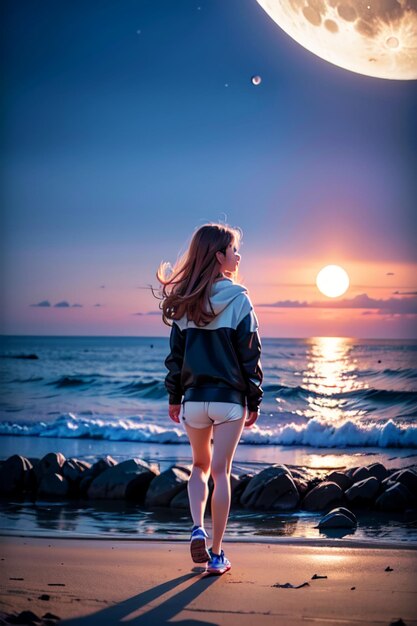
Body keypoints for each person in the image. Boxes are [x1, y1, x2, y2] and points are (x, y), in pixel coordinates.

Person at [156, 222, 263, 575]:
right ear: (219, 257)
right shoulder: (239, 299)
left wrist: (175, 397)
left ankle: (196, 528)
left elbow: (175, 357)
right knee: (222, 472)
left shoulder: (186, 303)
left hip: (194, 401)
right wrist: (254, 398)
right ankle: (216, 555)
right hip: (229, 400)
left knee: (199, 467)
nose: (238, 255)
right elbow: (251, 355)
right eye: (234, 250)